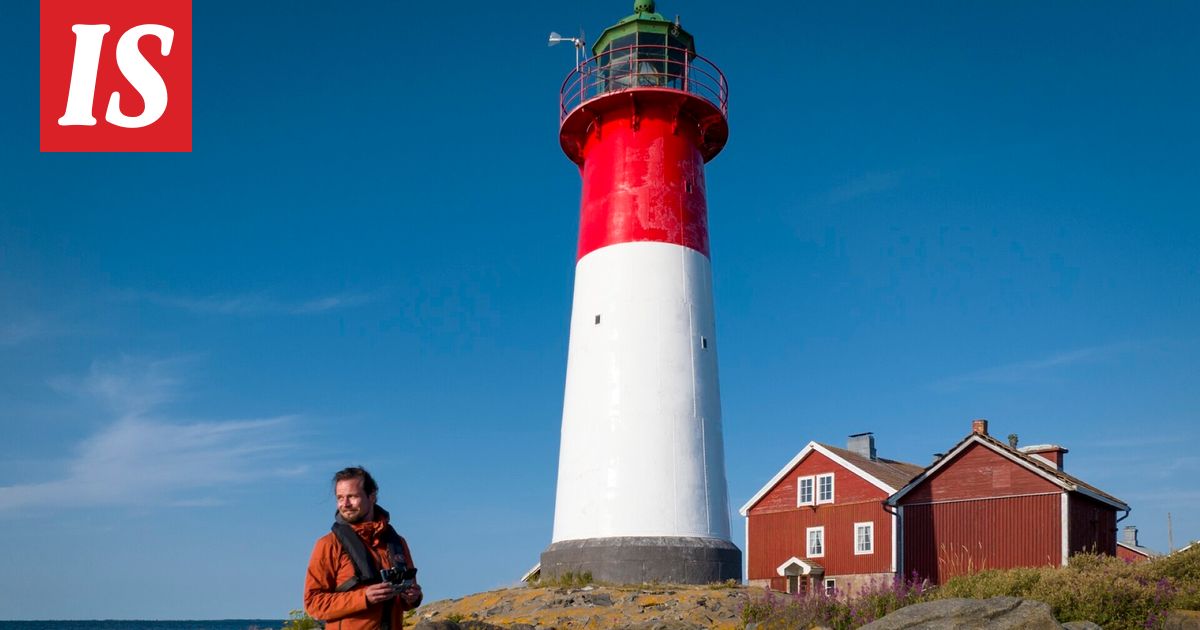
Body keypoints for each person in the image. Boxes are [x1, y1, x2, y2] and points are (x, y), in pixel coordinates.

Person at [305, 467, 423, 629]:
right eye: (340, 498)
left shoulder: (397, 543)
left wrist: (413, 597)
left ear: (372, 496)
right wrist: (364, 597)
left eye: (352, 496)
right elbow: (313, 603)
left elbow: (407, 601)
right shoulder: (328, 544)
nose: (345, 504)